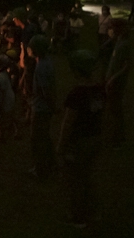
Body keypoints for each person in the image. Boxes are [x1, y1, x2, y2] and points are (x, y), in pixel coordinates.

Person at [57, 50, 104, 228]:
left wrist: (61, 145)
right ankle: (94, 212)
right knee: (88, 177)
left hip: (79, 142)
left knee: (75, 180)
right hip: (95, 139)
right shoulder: (98, 90)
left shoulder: (76, 94)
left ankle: (78, 216)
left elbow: (68, 122)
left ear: (76, 71)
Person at [27, 35, 56, 181]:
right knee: (44, 137)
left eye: (30, 47)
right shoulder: (44, 62)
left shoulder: (42, 67)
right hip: (42, 106)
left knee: (37, 140)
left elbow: (46, 92)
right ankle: (50, 163)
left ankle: (41, 169)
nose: (28, 49)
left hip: (41, 109)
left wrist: (51, 106)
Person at [105, 18, 131, 149]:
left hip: (117, 83)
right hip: (112, 81)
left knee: (116, 109)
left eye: (111, 28)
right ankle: (115, 135)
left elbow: (127, 65)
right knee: (113, 108)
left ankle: (118, 137)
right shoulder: (118, 42)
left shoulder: (125, 44)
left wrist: (113, 78)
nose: (109, 30)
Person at [0, 54, 16, 142]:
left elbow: (1, 93)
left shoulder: (1, 77)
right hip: (9, 99)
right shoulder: (4, 74)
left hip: (6, 101)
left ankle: (3, 136)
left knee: (3, 120)